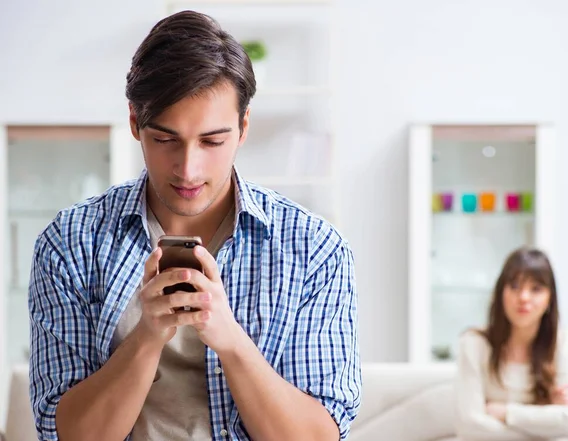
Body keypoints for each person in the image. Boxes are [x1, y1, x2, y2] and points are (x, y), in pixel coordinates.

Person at [28, 10, 361, 441]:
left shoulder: (316, 249)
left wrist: (229, 339)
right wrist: (148, 336)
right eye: (165, 139)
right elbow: (67, 434)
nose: (188, 169)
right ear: (135, 124)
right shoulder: (70, 243)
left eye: (212, 141)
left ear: (243, 128)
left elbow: (319, 437)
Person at [454, 247, 568, 440]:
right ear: (501, 293)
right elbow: (469, 427)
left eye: (536, 289)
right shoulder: (474, 344)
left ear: (550, 299)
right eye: (515, 286)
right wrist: (544, 420)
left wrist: (505, 412)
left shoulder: (564, 342)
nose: (524, 297)